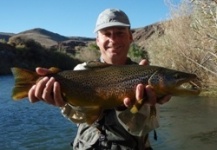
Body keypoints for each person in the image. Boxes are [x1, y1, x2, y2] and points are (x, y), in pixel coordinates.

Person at [28, 8, 171, 150]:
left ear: (130, 37)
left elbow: (145, 127)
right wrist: (63, 102)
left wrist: (133, 107)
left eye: (119, 33)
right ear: (97, 40)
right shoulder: (81, 72)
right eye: (106, 34)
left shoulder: (146, 76)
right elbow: (80, 118)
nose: (113, 40)